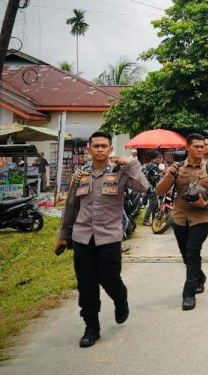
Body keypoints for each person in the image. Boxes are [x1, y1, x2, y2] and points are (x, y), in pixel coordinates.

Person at [55, 132, 150, 348]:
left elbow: (144, 188)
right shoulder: (80, 174)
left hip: (108, 237)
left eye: (104, 146)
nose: (99, 149)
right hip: (82, 237)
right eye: (96, 146)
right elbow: (71, 206)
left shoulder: (120, 172)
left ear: (110, 149)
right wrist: (63, 236)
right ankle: (91, 327)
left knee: (109, 278)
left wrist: (132, 163)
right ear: (89, 149)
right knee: (86, 284)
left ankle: (120, 298)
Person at [155, 133, 208, 310]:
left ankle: (188, 293)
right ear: (187, 147)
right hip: (179, 217)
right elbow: (159, 191)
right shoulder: (177, 168)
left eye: (203, 146)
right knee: (185, 253)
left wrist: (207, 203)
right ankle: (199, 277)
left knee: (193, 251)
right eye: (197, 146)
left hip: (201, 217)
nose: (201, 149)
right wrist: (168, 175)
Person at [141, 151, 163, 226]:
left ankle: (154, 220)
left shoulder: (148, 164)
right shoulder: (155, 166)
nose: (161, 159)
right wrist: (162, 174)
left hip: (147, 186)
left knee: (155, 204)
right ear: (157, 158)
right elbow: (155, 176)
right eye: (160, 157)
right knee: (152, 204)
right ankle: (145, 220)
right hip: (152, 188)